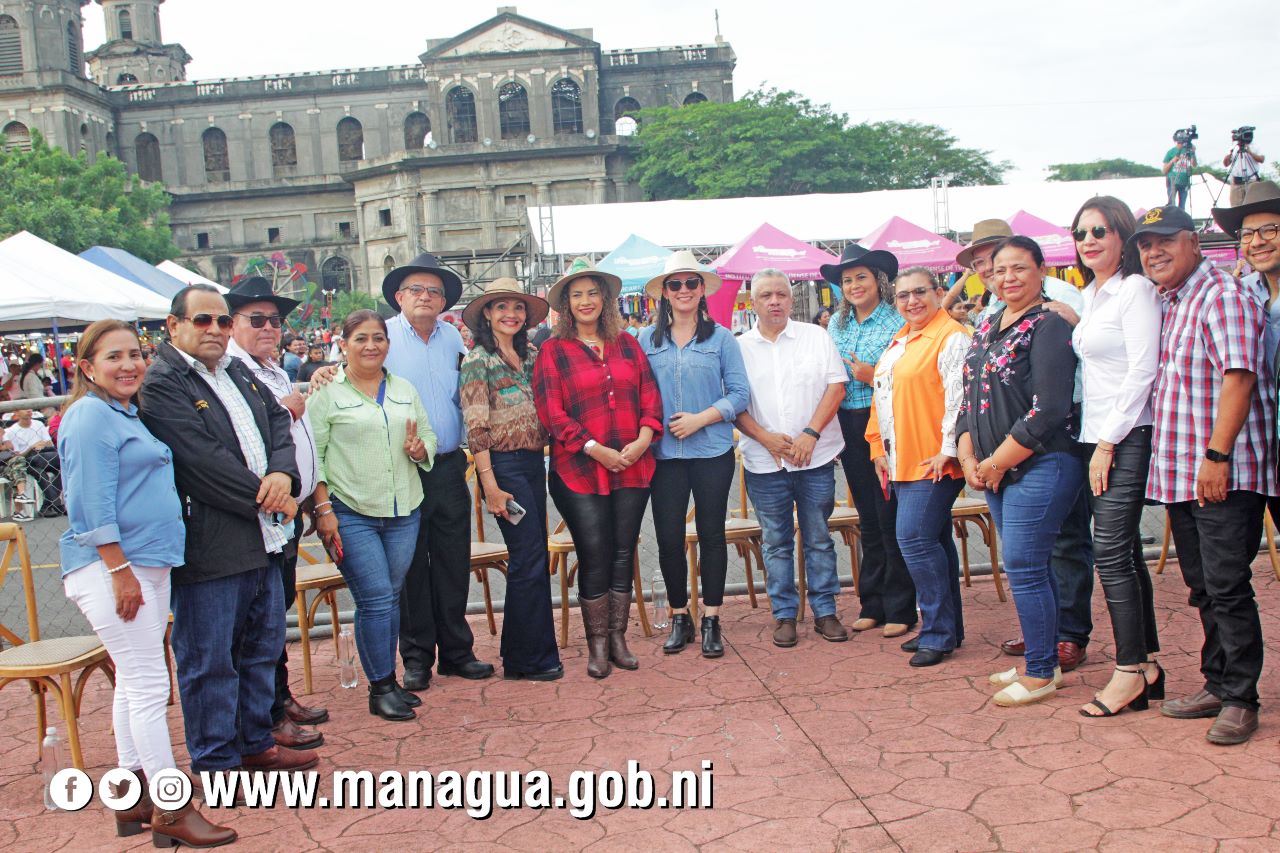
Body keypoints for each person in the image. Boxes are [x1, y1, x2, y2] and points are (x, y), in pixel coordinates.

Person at [58, 320, 234, 848]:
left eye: (135, 354)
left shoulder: (124, 413)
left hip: (145, 564)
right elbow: (88, 503)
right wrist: (119, 572)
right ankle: (170, 806)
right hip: (118, 567)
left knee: (135, 682)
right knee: (151, 684)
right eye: (114, 357)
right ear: (87, 367)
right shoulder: (90, 417)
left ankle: (132, 792)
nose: (129, 364)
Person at [139, 284, 317, 779]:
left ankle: (255, 742)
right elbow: (200, 463)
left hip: (267, 536)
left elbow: (280, 426)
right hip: (213, 542)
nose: (215, 330)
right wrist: (273, 496)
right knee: (210, 660)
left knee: (261, 648)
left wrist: (284, 476)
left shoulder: (237, 371)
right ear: (173, 326)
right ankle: (217, 763)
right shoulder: (162, 382)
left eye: (221, 321)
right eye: (203, 321)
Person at [1134, 205, 1274, 745]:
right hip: (1184, 473)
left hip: (1221, 471)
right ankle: (1218, 682)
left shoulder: (1222, 295)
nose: (1154, 252)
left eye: (1165, 241)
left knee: (1227, 585)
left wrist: (1216, 458)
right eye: (1146, 245)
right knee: (1202, 586)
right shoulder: (1173, 300)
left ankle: (1241, 697)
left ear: (1194, 242)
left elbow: (1238, 378)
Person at [955, 219, 1095, 673]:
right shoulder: (987, 325)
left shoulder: (1049, 323)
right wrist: (968, 455)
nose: (1009, 277)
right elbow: (969, 395)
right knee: (1031, 567)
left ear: (1042, 271)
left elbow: (1051, 408)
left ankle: (1040, 671)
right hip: (995, 468)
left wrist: (996, 461)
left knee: (1025, 566)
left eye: (1020, 267)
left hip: (1043, 462)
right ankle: (1044, 654)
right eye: (1000, 270)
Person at [534, 258, 662, 678]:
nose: (586, 301)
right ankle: (597, 643)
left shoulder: (628, 344)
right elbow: (551, 412)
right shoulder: (553, 351)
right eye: (577, 295)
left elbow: (650, 395)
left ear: (604, 300)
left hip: (633, 465)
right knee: (595, 552)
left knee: (624, 552)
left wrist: (644, 439)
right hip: (579, 470)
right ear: (566, 305)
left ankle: (619, 638)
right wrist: (594, 449)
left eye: (593, 293)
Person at [308, 310, 436, 720]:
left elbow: (427, 434)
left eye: (378, 338)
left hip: (404, 508)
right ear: (342, 344)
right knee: (378, 598)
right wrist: (323, 510)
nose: (370, 346)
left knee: (385, 597)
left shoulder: (403, 388)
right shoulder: (326, 393)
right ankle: (380, 688)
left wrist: (421, 450)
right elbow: (314, 458)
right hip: (349, 511)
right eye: (360, 338)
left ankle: (387, 680)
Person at [1070, 197, 1164, 717]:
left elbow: (1142, 371)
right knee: (1122, 551)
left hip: (1127, 434)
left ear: (1121, 235)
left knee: (1108, 553)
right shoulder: (1094, 295)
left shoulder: (1136, 290)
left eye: (1099, 230)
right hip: (1096, 434)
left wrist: (1108, 443)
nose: (1089, 240)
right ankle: (1147, 664)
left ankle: (1128, 670)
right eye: (1081, 232)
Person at [381, 252, 494, 689]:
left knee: (452, 561)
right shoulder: (383, 337)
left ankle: (457, 652)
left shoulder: (455, 339)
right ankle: (416, 658)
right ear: (398, 297)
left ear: (444, 300)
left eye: (434, 291)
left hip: (449, 465)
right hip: (401, 467)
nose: (425, 297)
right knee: (411, 565)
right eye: (417, 290)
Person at [225, 277, 328, 748]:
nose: (270, 328)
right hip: (263, 511)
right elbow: (242, 441)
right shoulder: (231, 371)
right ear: (233, 325)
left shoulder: (274, 370)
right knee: (262, 620)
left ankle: (279, 697)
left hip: (290, 513)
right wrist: (286, 413)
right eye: (257, 319)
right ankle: (266, 713)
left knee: (276, 609)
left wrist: (314, 499)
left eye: (275, 320)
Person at [639, 251, 750, 657]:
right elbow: (636, 394)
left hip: (711, 451)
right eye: (675, 284)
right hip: (664, 455)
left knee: (711, 535)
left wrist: (702, 418)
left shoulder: (721, 339)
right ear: (664, 294)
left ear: (702, 289)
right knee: (668, 537)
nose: (683, 290)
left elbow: (739, 394)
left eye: (691, 283)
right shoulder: (644, 341)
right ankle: (680, 614)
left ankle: (712, 618)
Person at [736, 269, 849, 647]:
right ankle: (784, 614)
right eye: (766, 295)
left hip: (815, 456)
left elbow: (837, 386)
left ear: (792, 298)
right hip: (764, 461)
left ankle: (825, 611)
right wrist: (767, 439)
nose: (774, 302)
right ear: (752, 303)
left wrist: (810, 434)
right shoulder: (739, 347)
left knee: (818, 537)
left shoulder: (816, 337)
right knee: (775, 541)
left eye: (781, 294)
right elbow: (734, 404)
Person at [867, 268, 970, 667]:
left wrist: (948, 449)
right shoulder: (901, 341)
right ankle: (946, 627)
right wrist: (877, 448)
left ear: (938, 292)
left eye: (920, 293)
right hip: (901, 462)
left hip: (933, 462)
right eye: (904, 295)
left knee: (913, 540)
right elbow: (881, 398)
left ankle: (938, 631)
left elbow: (959, 398)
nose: (912, 301)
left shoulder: (951, 336)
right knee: (935, 544)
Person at [460, 279, 562, 681]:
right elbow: (476, 428)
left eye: (517, 308)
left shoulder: (532, 354)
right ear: (487, 314)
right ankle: (528, 660)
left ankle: (521, 653)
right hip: (503, 468)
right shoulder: (477, 360)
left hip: (534, 463)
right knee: (528, 559)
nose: (511, 315)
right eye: (501, 307)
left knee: (533, 559)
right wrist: (490, 486)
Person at [821, 244, 914, 639]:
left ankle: (901, 607)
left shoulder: (897, 321)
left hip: (888, 428)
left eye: (861, 277)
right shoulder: (836, 326)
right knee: (868, 518)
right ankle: (871, 603)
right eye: (847, 280)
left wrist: (870, 374)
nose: (854, 285)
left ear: (879, 281)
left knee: (890, 515)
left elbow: (907, 376)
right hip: (848, 426)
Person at [1212, 181, 1280, 530]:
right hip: (1266, 451)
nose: (1258, 241)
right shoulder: (1245, 293)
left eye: (1270, 229)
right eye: (1248, 233)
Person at [2, 409, 51, 521]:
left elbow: (10, 448)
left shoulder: (37, 424)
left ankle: (20, 505)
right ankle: (20, 502)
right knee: (18, 465)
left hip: (8, 463)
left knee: (17, 467)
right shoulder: (12, 430)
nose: (29, 411)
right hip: (12, 462)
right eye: (25, 409)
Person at [1222, 135, 1265, 207]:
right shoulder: (1234, 147)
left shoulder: (1255, 146)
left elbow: (1261, 159)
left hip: (1252, 181)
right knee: (1236, 207)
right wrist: (1230, 152)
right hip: (1236, 183)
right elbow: (1226, 164)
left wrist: (1249, 152)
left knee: (1254, 206)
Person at [1163, 135, 1197, 211]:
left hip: (1184, 182)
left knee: (1182, 206)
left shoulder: (1188, 151)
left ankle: (1181, 221)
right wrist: (1172, 161)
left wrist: (1193, 153)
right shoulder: (1171, 152)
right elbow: (1164, 170)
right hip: (1172, 181)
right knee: (1171, 205)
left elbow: (1194, 164)